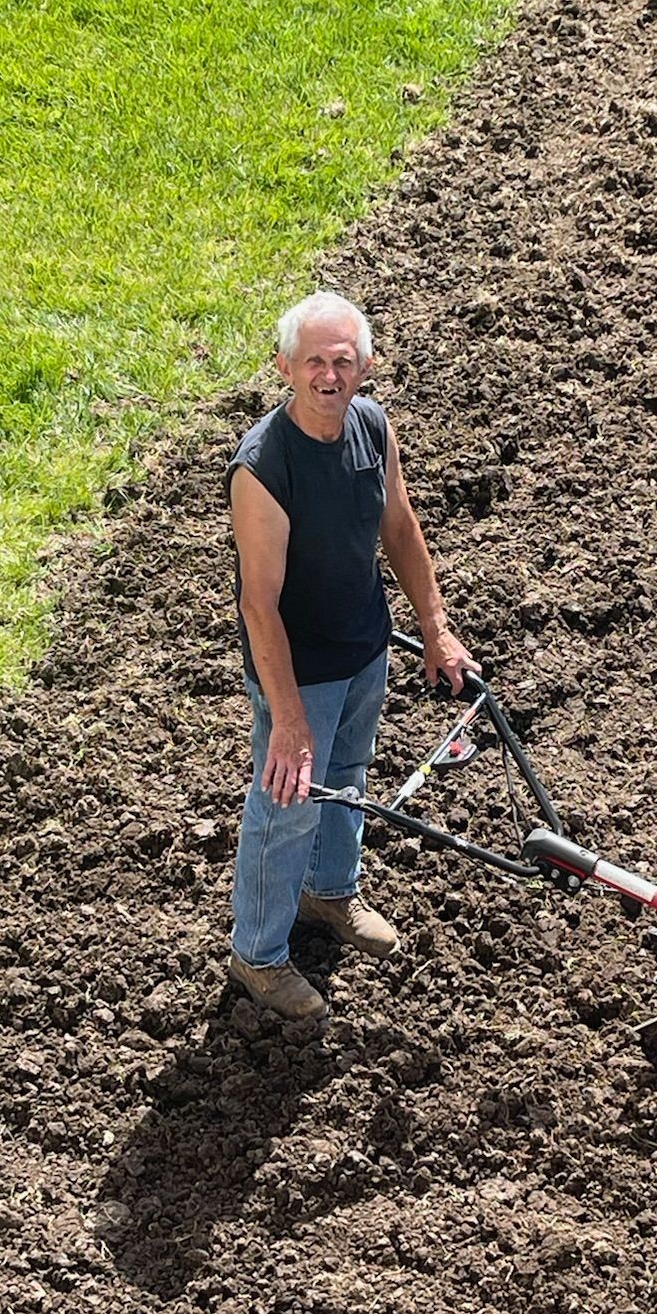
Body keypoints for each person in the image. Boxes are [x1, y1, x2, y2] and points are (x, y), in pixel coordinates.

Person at [225, 291, 477, 1022]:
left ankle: (330, 894)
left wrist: (434, 627)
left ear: (365, 366)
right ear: (284, 367)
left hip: (364, 649)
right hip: (297, 671)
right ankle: (259, 955)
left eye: (343, 361)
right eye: (314, 362)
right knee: (285, 808)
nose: (329, 376)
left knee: (349, 780)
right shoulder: (264, 468)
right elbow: (258, 605)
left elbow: (398, 524)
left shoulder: (371, 426)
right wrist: (291, 717)